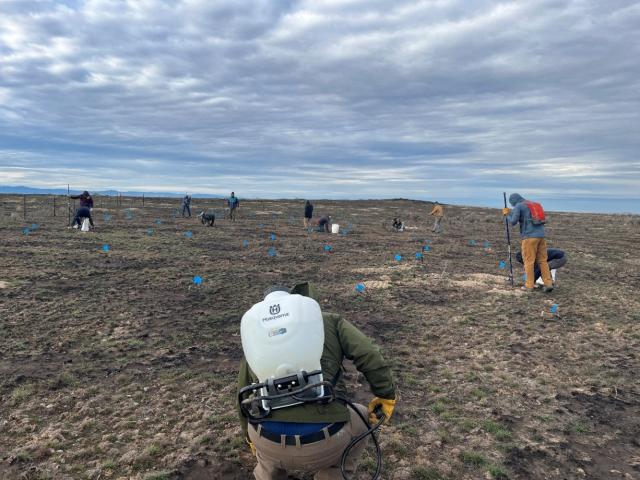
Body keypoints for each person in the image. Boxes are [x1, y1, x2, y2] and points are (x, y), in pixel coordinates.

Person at [238, 283, 396, 480]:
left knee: (262, 424)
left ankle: (267, 474)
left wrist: (249, 438)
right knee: (362, 415)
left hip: (266, 441)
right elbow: (370, 355)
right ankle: (332, 475)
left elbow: (242, 394)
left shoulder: (256, 337)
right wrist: (386, 395)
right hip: (325, 443)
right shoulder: (329, 321)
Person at [503, 193, 553, 292]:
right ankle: (548, 283)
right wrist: (511, 212)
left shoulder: (519, 206)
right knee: (543, 261)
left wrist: (507, 214)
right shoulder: (532, 204)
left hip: (529, 238)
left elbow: (513, 221)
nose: (512, 205)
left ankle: (529, 285)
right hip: (541, 236)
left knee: (528, 261)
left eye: (512, 203)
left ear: (513, 201)